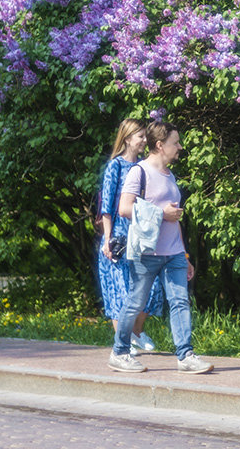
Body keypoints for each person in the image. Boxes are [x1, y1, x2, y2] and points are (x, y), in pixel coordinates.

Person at [107, 120, 213, 374]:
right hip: (146, 253)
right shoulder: (138, 172)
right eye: (175, 143)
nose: (179, 147)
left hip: (173, 253)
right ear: (159, 145)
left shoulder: (170, 175)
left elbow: (174, 217)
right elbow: (123, 208)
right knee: (135, 303)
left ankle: (185, 355)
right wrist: (160, 214)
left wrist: (185, 254)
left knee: (179, 302)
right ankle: (119, 353)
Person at [95, 118, 163, 355]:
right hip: (118, 240)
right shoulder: (115, 166)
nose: (145, 141)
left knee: (151, 288)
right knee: (119, 293)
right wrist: (107, 239)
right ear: (127, 139)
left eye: (145, 136)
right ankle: (122, 342)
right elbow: (106, 205)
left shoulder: (144, 167)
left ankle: (135, 332)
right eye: (140, 136)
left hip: (140, 237)